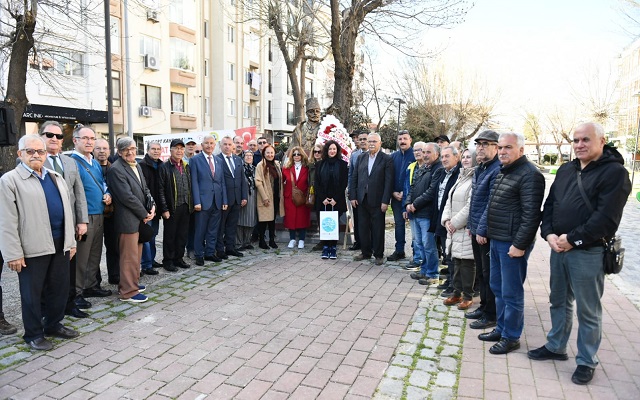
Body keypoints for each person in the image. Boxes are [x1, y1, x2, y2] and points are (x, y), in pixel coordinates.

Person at [529, 122, 631, 385]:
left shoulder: (615, 173)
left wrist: (572, 239)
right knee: (559, 301)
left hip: (588, 251)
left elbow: (606, 219)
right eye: (575, 140)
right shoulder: (566, 169)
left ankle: (586, 360)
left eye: (586, 139)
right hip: (558, 248)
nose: (579, 145)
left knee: (588, 310)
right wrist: (549, 234)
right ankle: (556, 346)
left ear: (602, 140)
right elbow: (550, 205)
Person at [0, 134, 79, 350]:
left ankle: (53, 324)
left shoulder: (55, 176)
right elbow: (6, 221)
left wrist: (71, 242)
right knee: (32, 294)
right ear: (20, 154)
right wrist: (13, 253)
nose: (36, 155)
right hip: (31, 247)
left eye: (40, 151)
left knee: (59, 288)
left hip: (60, 243)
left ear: (46, 154)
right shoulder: (10, 180)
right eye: (30, 151)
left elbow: (67, 212)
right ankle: (33, 334)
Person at [478, 132, 545, 355]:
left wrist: (520, 244)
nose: (503, 151)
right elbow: (494, 204)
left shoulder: (530, 175)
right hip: (497, 240)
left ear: (521, 150)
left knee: (512, 292)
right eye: (501, 147)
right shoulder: (503, 172)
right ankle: (502, 327)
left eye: (508, 147)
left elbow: (531, 215)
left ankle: (511, 336)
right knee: (497, 287)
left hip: (512, 245)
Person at [39, 121, 90, 319]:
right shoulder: (33, 160)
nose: (54, 139)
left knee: (68, 268)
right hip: (45, 226)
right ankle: (46, 311)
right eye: (49, 135)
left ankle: (69, 304)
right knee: (46, 271)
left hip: (69, 226)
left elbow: (79, 193)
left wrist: (82, 220)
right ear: (41, 136)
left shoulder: (70, 162)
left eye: (58, 136)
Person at [107, 137, 155, 303]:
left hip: (139, 218)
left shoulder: (136, 165)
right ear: (119, 152)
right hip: (127, 220)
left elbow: (145, 188)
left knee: (136, 255)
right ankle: (128, 292)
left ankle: (132, 283)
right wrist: (144, 214)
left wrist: (152, 206)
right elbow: (127, 197)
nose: (130, 152)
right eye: (125, 149)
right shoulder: (116, 169)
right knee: (128, 257)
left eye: (133, 148)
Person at [70, 125, 113, 305]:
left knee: (94, 254)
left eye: (92, 139)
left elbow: (102, 183)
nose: (89, 142)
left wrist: (108, 194)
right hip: (84, 217)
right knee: (81, 258)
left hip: (99, 213)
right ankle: (76, 292)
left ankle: (91, 285)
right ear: (75, 141)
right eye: (85, 138)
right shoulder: (71, 162)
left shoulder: (94, 162)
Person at [466, 130, 501, 330]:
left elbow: (490, 204)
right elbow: (475, 203)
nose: (480, 147)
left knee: (489, 275)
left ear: (496, 147)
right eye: (478, 144)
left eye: (485, 144)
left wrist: (481, 229)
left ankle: (491, 314)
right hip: (476, 229)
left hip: (485, 232)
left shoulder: (496, 169)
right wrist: (472, 226)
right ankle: (484, 306)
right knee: (481, 272)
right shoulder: (481, 168)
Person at [349, 133, 394, 265]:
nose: (371, 143)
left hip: (378, 200)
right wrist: (353, 196)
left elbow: (388, 182)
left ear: (380, 143)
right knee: (362, 227)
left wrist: (386, 201)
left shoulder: (386, 159)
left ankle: (378, 255)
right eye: (369, 141)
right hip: (361, 199)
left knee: (378, 228)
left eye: (374, 141)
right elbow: (354, 178)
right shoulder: (361, 157)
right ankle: (365, 252)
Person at [441, 148, 476, 310]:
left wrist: (454, 223)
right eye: (465, 157)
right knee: (456, 262)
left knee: (467, 264)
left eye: (470, 157)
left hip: (463, 228)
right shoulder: (461, 177)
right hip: (453, 228)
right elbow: (449, 199)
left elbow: (471, 206)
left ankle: (467, 296)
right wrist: (446, 220)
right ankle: (456, 293)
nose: (466, 160)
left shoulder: (475, 178)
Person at [406, 143, 443, 285]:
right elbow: (412, 187)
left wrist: (415, 204)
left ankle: (432, 274)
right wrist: (408, 203)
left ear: (437, 154)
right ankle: (424, 270)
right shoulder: (422, 168)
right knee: (420, 244)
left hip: (427, 214)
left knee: (429, 245)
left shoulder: (438, 169)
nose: (425, 155)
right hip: (415, 213)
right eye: (424, 152)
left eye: (428, 152)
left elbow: (431, 192)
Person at [190, 135, 228, 266]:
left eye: (212, 143)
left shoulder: (218, 160)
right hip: (202, 201)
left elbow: (222, 182)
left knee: (213, 229)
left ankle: (210, 253)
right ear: (202, 144)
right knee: (200, 230)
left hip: (217, 201)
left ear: (215, 145)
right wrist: (196, 201)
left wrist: (224, 200)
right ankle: (199, 254)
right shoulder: (195, 160)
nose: (209, 145)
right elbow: (194, 182)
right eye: (206, 143)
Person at [158, 139, 193, 272]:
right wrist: (164, 209)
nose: (179, 151)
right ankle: (168, 260)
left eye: (181, 148)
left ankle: (179, 258)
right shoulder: (165, 167)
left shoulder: (186, 166)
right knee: (170, 236)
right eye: (176, 148)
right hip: (172, 207)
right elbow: (160, 189)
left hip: (185, 205)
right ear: (171, 150)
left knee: (182, 235)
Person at [432, 146, 461, 298]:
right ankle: (449, 279)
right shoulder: (443, 173)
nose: (443, 159)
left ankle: (454, 284)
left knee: (453, 254)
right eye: (442, 157)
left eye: (447, 156)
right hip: (442, 219)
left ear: (457, 157)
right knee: (447, 253)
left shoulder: (459, 173)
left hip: (453, 221)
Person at [315, 141, 349, 259]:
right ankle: (325, 247)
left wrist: (335, 198)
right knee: (324, 223)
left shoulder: (343, 165)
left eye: (334, 149)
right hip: (322, 200)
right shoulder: (319, 164)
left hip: (337, 200)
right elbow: (317, 183)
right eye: (330, 149)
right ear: (326, 150)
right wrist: (323, 198)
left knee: (334, 223)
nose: (332, 151)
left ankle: (333, 247)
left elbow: (344, 183)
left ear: (337, 150)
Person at [217, 136, 248, 259]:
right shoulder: (217, 159)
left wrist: (244, 196)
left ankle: (230, 247)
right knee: (221, 226)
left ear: (233, 146)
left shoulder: (237, 160)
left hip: (237, 199)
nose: (227, 146)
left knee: (232, 225)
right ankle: (219, 249)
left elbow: (242, 180)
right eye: (225, 144)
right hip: (224, 200)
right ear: (221, 146)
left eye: (229, 144)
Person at [94, 138, 120, 285]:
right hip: (95, 214)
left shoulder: (114, 168)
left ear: (110, 151)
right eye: (98, 148)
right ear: (93, 150)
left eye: (105, 148)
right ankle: (94, 281)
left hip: (112, 214)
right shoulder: (90, 168)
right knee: (95, 250)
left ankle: (115, 275)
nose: (102, 151)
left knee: (113, 247)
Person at [388, 130, 415, 262]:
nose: (402, 141)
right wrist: (393, 191)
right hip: (396, 197)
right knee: (399, 224)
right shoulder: (393, 157)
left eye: (405, 138)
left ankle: (417, 253)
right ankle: (399, 250)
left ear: (410, 140)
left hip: (412, 198)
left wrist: (407, 193)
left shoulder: (415, 156)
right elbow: (389, 177)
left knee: (416, 226)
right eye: (400, 139)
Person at [138, 141, 162, 276]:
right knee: (147, 236)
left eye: (158, 149)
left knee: (153, 235)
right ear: (148, 150)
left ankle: (151, 260)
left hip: (157, 207)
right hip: (147, 207)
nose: (156, 151)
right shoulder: (141, 165)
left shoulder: (161, 165)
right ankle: (146, 264)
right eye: (153, 149)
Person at [402, 141, 426, 271]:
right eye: (415, 150)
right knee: (415, 237)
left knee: (425, 239)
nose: (417, 152)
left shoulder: (430, 167)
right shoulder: (411, 167)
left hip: (424, 207)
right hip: (411, 207)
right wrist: (405, 206)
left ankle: (424, 261)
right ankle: (417, 259)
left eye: (420, 150)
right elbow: (406, 189)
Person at [255, 144, 285, 249]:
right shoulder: (260, 165)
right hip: (266, 197)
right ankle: (262, 241)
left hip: (275, 196)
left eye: (272, 152)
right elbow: (258, 182)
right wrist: (264, 197)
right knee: (264, 220)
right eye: (268, 152)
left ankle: (272, 240)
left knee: (272, 219)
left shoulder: (276, 164)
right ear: (264, 153)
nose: (270, 154)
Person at [282, 146, 311, 249]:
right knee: (291, 218)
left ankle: (302, 240)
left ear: (302, 155)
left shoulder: (307, 168)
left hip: (302, 197)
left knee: (302, 218)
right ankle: (292, 239)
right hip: (289, 197)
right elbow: (282, 183)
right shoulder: (286, 168)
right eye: (294, 154)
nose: (296, 156)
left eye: (298, 154)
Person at [348, 131, 369, 251]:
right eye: (360, 139)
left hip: (370, 193)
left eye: (364, 139)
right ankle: (358, 241)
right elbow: (351, 175)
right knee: (357, 218)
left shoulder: (376, 155)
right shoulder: (354, 155)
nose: (362, 141)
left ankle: (369, 243)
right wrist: (351, 192)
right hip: (357, 193)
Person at [237, 150, 257, 250]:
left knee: (251, 220)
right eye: (247, 155)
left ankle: (247, 241)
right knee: (241, 220)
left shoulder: (255, 169)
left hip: (253, 196)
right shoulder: (240, 168)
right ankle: (239, 242)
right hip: (243, 195)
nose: (249, 157)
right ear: (243, 157)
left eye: (251, 155)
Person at [309, 142, 325, 251]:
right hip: (313, 193)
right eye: (315, 151)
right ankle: (322, 240)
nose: (317, 153)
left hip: (323, 194)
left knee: (324, 217)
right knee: (319, 217)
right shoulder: (311, 165)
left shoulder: (324, 164)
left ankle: (326, 240)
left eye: (319, 151)